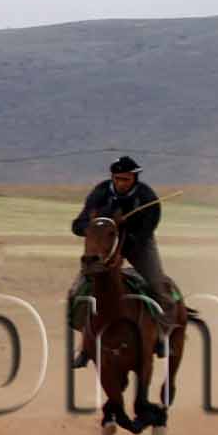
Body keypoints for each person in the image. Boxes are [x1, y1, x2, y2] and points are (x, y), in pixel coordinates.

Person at [69, 154, 175, 365]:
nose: (120, 183)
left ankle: (163, 336)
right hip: (105, 246)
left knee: (157, 285)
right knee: (78, 291)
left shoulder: (147, 197)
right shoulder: (100, 192)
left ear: (134, 178)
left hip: (138, 245)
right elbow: (79, 223)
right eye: (117, 178)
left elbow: (147, 230)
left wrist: (126, 237)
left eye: (125, 179)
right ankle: (86, 345)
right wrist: (92, 226)